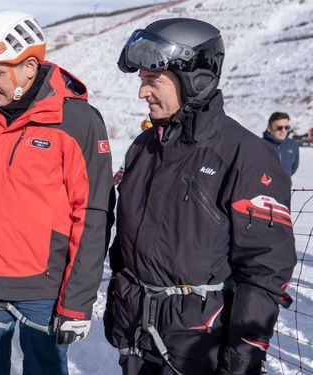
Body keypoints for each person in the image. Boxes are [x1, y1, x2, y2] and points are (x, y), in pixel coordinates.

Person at [105, 18, 297, 375]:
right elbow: (125, 245)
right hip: (138, 338)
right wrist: (118, 307)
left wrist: (242, 357)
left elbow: (265, 270)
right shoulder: (143, 148)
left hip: (197, 347)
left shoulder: (244, 156)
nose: (142, 93)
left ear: (195, 78)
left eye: (152, 80)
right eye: (141, 80)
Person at [0, 10, 114, 374]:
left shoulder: (77, 121)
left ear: (30, 66)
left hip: (42, 290)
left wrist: (77, 301)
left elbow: (92, 214)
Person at [262, 111, 299, 176]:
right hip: (265, 185)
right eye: (279, 128)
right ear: (269, 127)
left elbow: (293, 168)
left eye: (286, 127)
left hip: (285, 185)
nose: (283, 130)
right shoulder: (260, 144)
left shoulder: (293, 144)